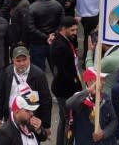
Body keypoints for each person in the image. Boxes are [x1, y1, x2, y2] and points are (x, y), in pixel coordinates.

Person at [0, 46, 52, 131]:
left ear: (29, 58)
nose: (22, 63)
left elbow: (46, 100)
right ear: (13, 60)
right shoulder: (7, 72)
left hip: (31, 121)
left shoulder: (38, 75)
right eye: (18, 61)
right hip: (11, 119)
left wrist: (46, 125)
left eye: (24, 60)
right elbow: (0, 94)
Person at [50, 17, 82, 145]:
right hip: (66, 90)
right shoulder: (60, 46)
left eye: (76, 30)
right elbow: (63, 73)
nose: (75, 33)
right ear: (63, 29)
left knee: (64, 120)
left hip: (64, 88)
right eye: (72, 30)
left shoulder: (65, 40)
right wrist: (76, 88)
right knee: (70, 121)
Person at [67, 68, 118, 145]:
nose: (103, 82)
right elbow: (69, 104)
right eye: (100, 80)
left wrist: (104, 133)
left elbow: (114, 120)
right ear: (89, 82)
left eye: (104, 79)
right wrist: (89, 90)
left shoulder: (105, 97)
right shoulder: (80, 99)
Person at [27, 0, 63, 71]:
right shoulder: (58, 5)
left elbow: (31, 27)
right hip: (54, 42)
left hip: (37, 43)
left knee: (38, 72)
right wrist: (53, 35)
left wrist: (46, 37)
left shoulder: (32, 7)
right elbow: (62, 24)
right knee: (56, 70)